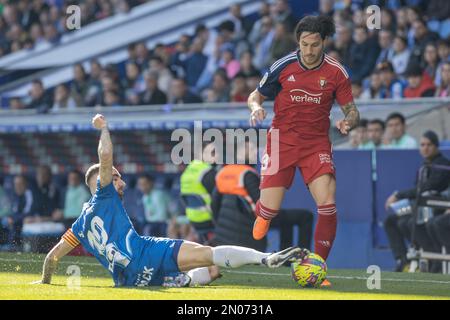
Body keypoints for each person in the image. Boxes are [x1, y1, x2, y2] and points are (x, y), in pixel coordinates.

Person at [35, 114, 308, 287]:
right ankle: (266, 258)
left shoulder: (79, 226)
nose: (122, 181)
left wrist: (44, 283)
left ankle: (187, 280)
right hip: (148, 252)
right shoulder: (103, 194)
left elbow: (52, 258)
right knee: (209, 255)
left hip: (130, 280)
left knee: (208, 271)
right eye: (117, 177)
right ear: (101, 182)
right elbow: (105, 157)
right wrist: (104, 129)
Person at [247, 15, 360, 287]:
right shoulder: (283, 66)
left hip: (316, 144)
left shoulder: (336, 72)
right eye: (304, 45)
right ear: (298, 42)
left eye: (314, 45)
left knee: (328, 203)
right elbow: (255, 95)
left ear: (324, 42)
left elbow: (352, 110)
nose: (308, 51)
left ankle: (318, 267)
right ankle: (262, 212)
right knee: (269, 212)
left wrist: (348, 121)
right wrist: (256, 108)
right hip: (282, 141)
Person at [384, 131, 450, 272]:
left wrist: (398, 195)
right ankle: (403, 260)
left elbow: (426, 188)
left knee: (407, 222)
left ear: (437, 146)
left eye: (429, 145)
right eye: (422, 145)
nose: (425, 148)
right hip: (419, 208)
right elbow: (417, 190)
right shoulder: (423, 166)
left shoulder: (443, 165)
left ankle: (433, 259)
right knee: (391, 220)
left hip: (435, 207)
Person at [180, 143, 218, 244]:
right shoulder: (207, 172)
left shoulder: (187, 170)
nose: (217, 156)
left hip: (193, 219)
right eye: (212, 152)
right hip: (208, 219)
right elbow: (220, 197)